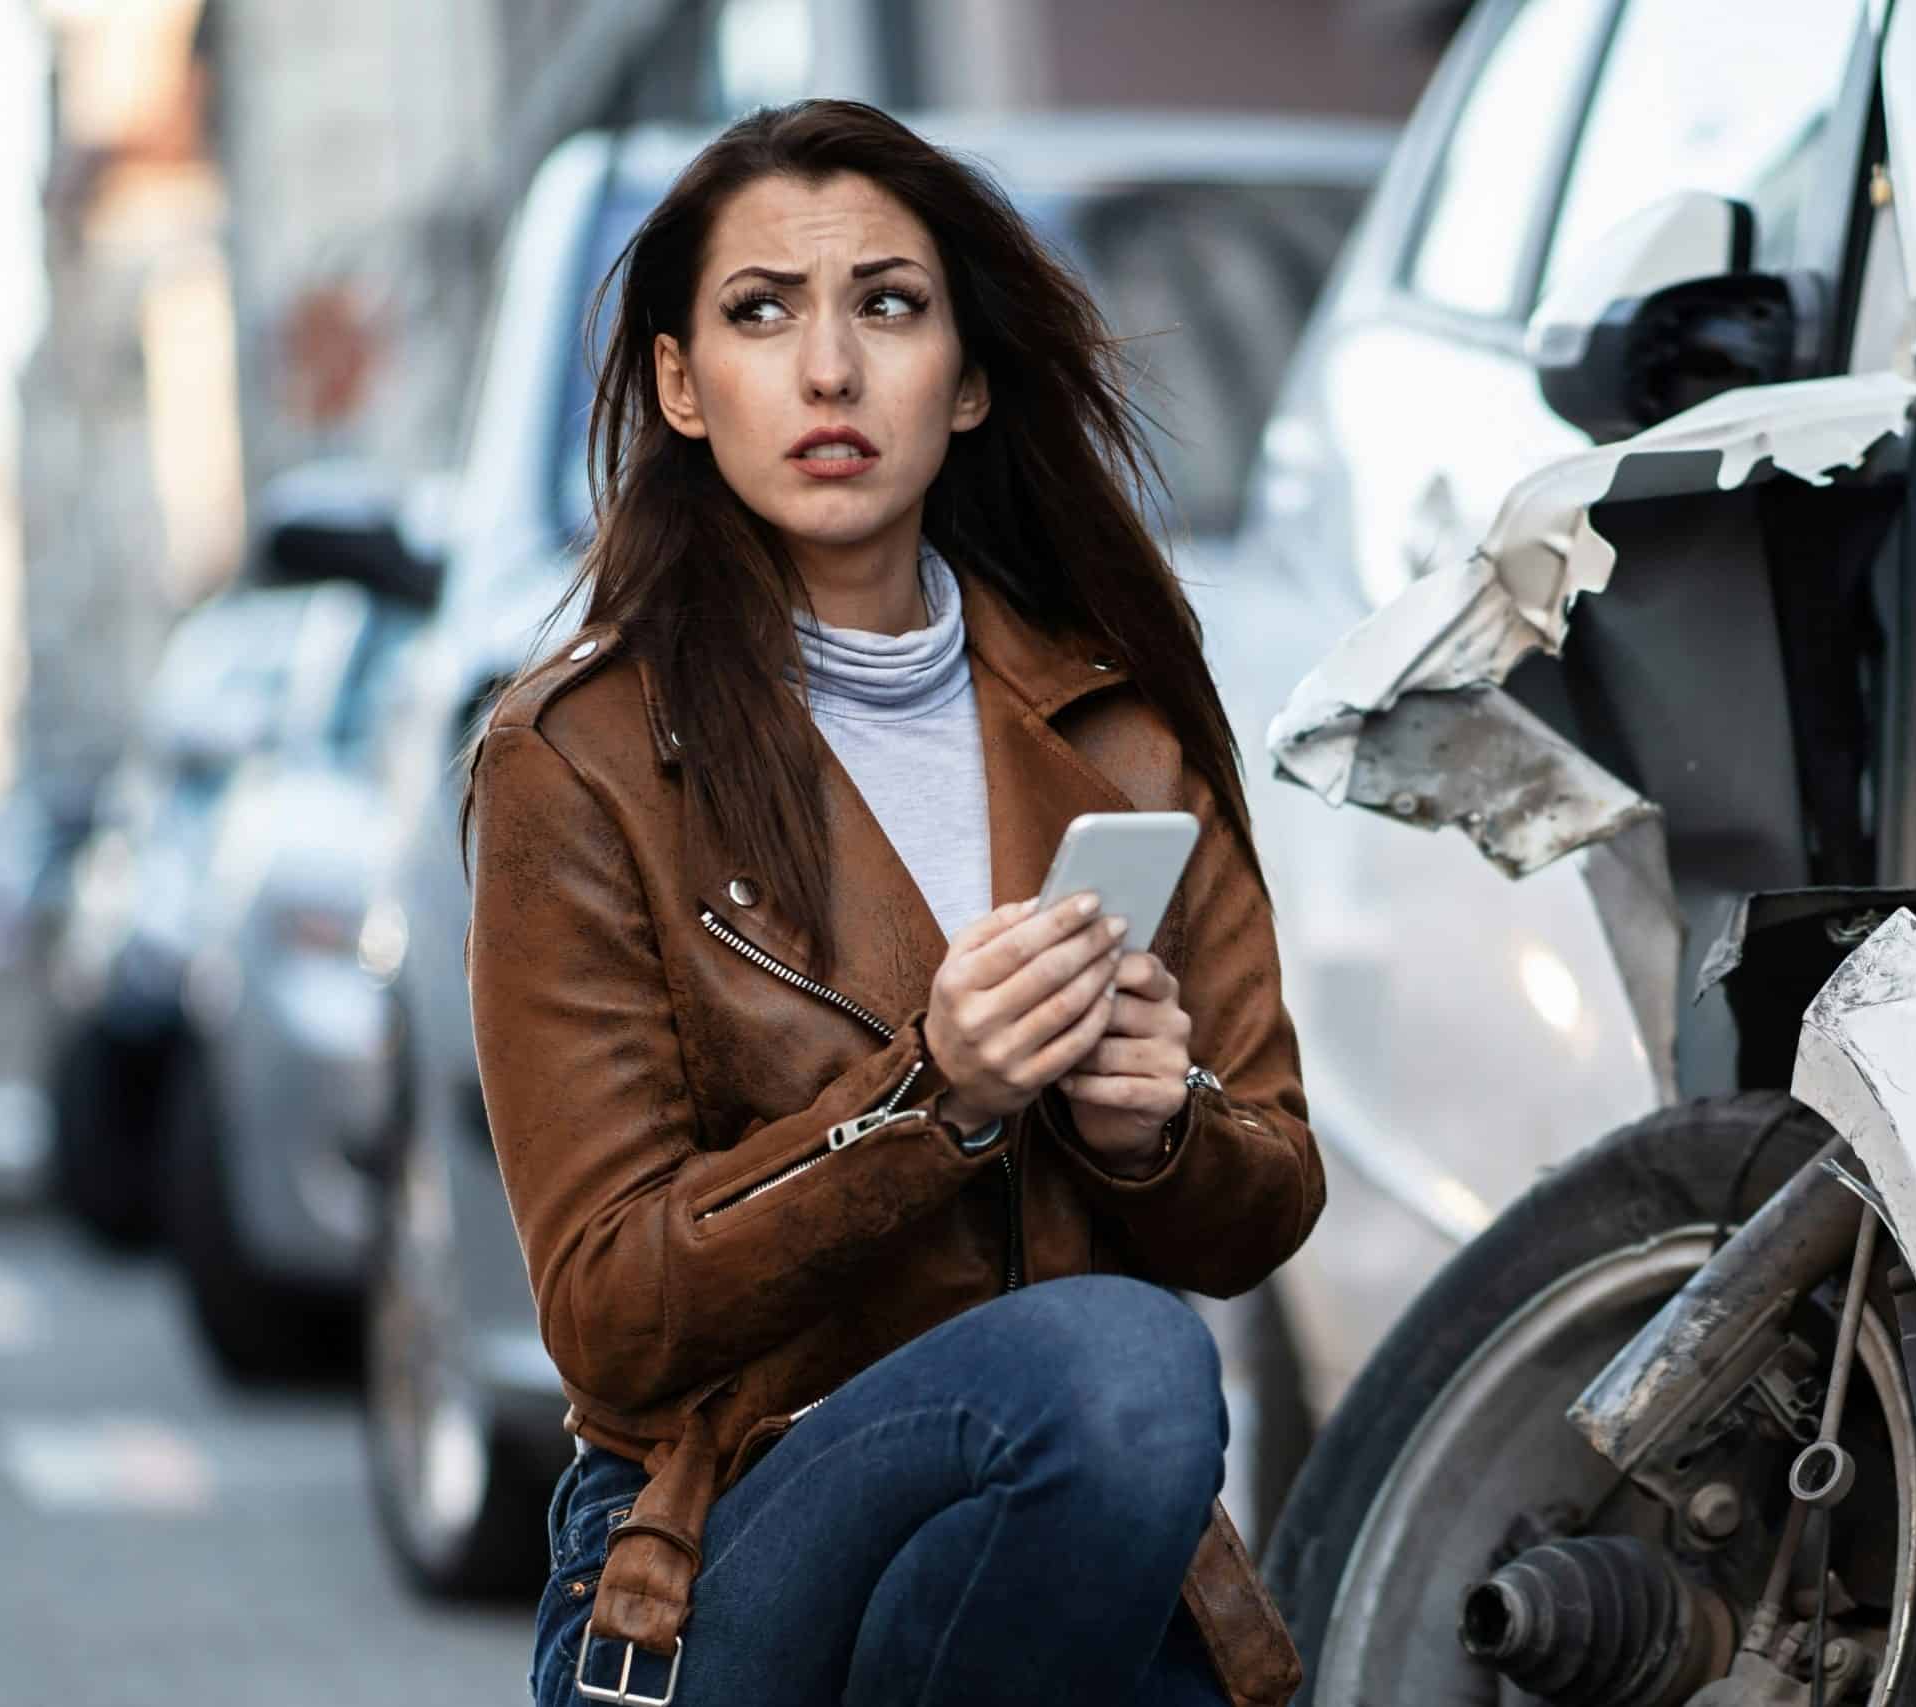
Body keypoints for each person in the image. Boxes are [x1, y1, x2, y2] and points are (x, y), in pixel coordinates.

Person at [462, 98, 1323, 1707]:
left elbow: (1269, 1198)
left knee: (1130, 1389)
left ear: (970, 378)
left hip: (1040, 1539)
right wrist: (942, 1096)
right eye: (761, 312)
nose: (831, 370)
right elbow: (607, 1314)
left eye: (889, 304)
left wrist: (1159, 1131)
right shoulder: (575, 763)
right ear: (681, 388)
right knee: (1126, 1370)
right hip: (721, 1549)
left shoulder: (1120, 723)